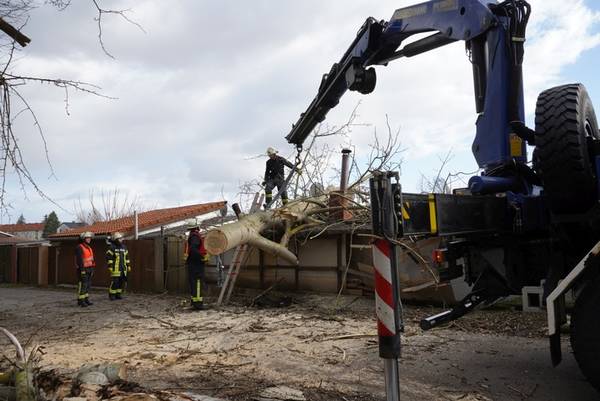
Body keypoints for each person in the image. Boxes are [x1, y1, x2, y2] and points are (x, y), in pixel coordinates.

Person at [185, 221, 209, 310]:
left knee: (193, 283)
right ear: (197, 227)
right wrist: (202, 257)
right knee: (198, 283)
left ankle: (194, 302)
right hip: (197, 264)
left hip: (192, 264)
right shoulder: (195, 237)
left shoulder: (191, 236)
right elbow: (194, 249)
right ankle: (198, 304)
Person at [106, 232, 131, 300]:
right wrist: (110, 266)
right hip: (115, 269)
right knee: (115, 282)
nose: (121, 240)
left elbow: (127, 258)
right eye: (120, 239)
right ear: (116, 239)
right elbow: (109, 258)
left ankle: (118, 294)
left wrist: (128, 266)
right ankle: (112, 295)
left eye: (121, 239)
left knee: (121, 282)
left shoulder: (124, 247)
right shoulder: (112, 247)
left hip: (123, 269)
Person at [75, 231, 95, 307]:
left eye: (90, 238)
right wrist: (82, 270)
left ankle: (86, 299)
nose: (89, 239)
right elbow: (79, 260)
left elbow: (92, 259)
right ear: (83, 239)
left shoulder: (89, 248)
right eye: (87, 238)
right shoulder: (79, 247)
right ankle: (81, 301)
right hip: (83, 269)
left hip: (89, 269)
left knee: (88, 285)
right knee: (83, 285)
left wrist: (92, 268)